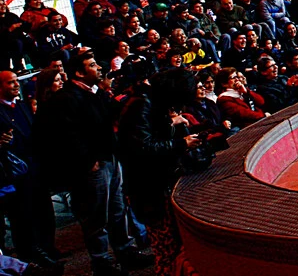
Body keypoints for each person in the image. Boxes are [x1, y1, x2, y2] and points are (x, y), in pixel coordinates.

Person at [35, 50, 153, 276]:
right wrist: (88, 161)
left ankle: (125, 251)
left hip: (110, 158)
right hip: (92, 166)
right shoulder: (66, 98)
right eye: (92, 65)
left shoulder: (95, 92)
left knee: (117, 209)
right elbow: (67, 135)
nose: (99, 68)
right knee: (96, 216)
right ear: (79, 73)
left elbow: (110, 117)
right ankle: (101, 262)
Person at [117, 67, 204, 276]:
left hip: (159, 184)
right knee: (166, 248)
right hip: (150, 189)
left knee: (175, 246)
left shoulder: (151, 102)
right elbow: (143, 148)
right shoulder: (141, 105)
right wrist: (181, 144)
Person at [0, 70, 58, 269]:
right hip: (15, 174)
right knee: (23, 218)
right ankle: (30, 258)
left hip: (35, 168)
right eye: (10, 82)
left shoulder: (22, 106)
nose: (16, 85)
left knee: (44, 212)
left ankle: (48, 249)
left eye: (16, 81)